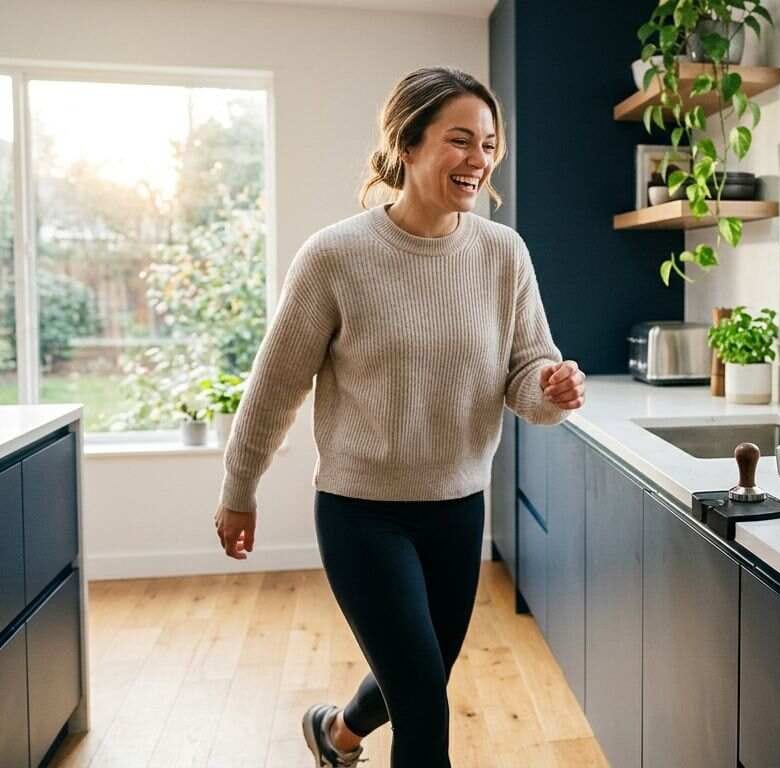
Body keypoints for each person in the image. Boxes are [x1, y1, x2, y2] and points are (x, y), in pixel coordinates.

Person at [212, 66, 585, 768]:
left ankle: (334, 735)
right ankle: (344, 736)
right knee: (425, 705)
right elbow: (274, 388)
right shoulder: (335, 256)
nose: (478, 159)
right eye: (459, 140)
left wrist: (553, 389)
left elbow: (526, 373)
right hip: (362, 514)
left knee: (417, 677)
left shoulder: (504, 255)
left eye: (489, 143)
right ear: (407, 145)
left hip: (457, 508)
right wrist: (240, 488)